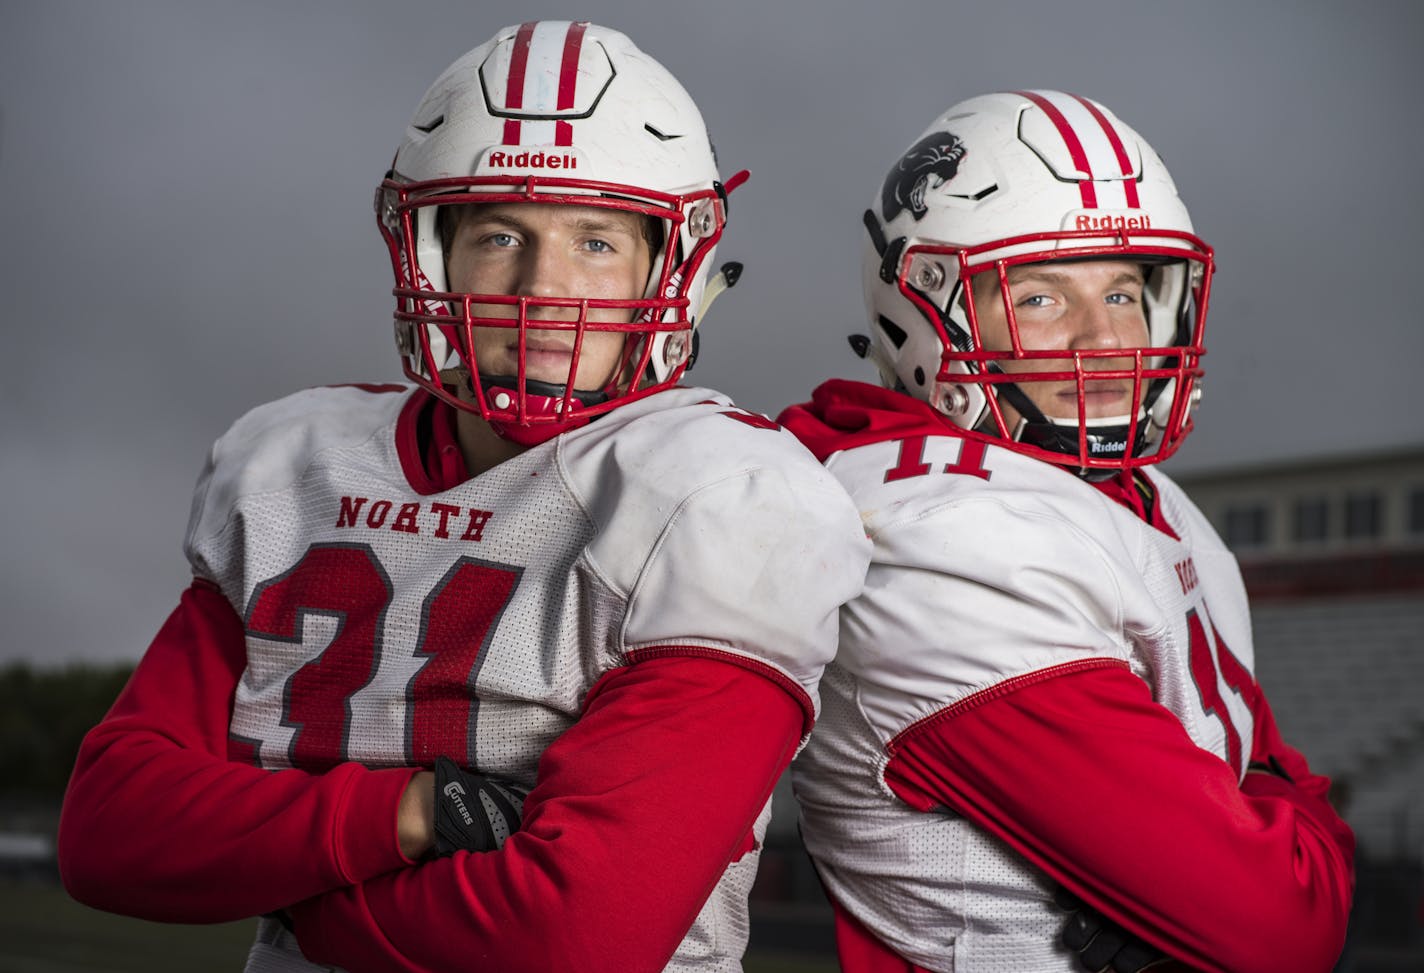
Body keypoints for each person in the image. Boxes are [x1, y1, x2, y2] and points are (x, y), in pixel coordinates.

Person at [57, 21, 869, 973]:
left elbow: (576, 936)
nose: (543, 289)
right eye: (498, 236)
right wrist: (407, 813)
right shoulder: (292, 463)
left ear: (672, 265)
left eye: (598, 240)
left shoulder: (725, 493)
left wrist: (287, 886)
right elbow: (110, 830)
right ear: (428, 253)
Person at [778, 90, 1355, 972]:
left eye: (1124, 290)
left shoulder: (1145, 494)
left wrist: (1268, 821)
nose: (1106, 339)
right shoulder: (941, 535)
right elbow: (1286, 926)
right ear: (926, 313)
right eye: (1041, 296)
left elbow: (1273, 798)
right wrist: (1282, 827)